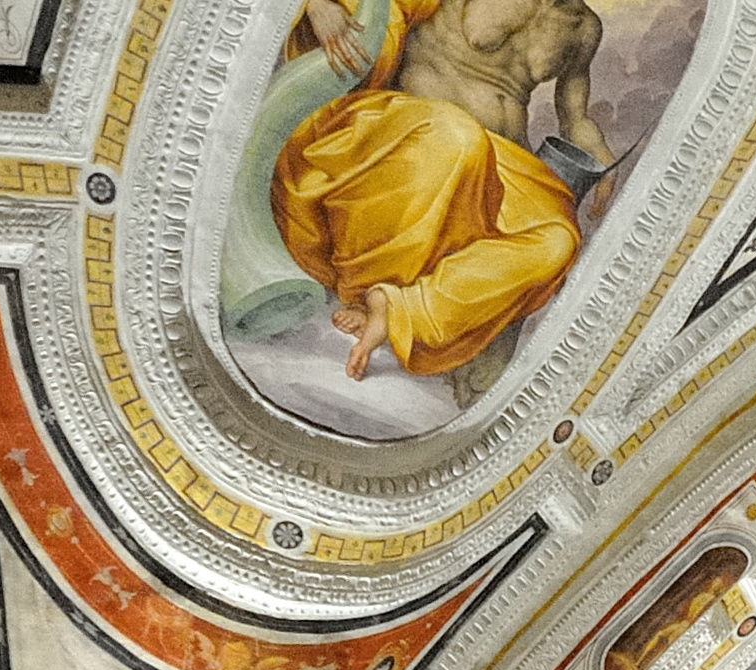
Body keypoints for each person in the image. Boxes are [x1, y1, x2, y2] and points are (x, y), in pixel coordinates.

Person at [234, 0, 616, 387]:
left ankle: (402, 309)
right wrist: (319, 5)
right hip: (411, 133)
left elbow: (576, 116)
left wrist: (599, 153)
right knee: (457, 137)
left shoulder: (584, 27)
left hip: (502, 160)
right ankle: (365, 286)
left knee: (556, 241)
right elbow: (379, 7)